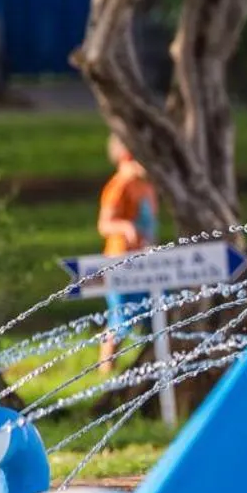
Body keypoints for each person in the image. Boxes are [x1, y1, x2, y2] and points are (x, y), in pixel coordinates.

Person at [96, 134, 158, 373]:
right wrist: (125, 227)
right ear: (128, 156)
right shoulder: (118, 187)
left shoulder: (146, 186)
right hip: (120, 263)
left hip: (145, 262)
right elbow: (104, 224)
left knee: (149, 312)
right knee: (121, 318)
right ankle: (106, 368)